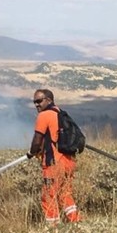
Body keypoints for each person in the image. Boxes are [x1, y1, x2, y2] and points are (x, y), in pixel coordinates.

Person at [27, 89, 81, 222]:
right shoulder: (60, 113)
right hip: (69, 162)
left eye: (39, 101)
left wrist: (31, 153)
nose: (36, 105)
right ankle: (76, 223)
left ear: (49, 100)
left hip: (54, 164)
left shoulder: (44, 116)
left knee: (48, 196)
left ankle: (52, 230)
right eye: (34, 102)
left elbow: (37, 140)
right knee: (65, 194)